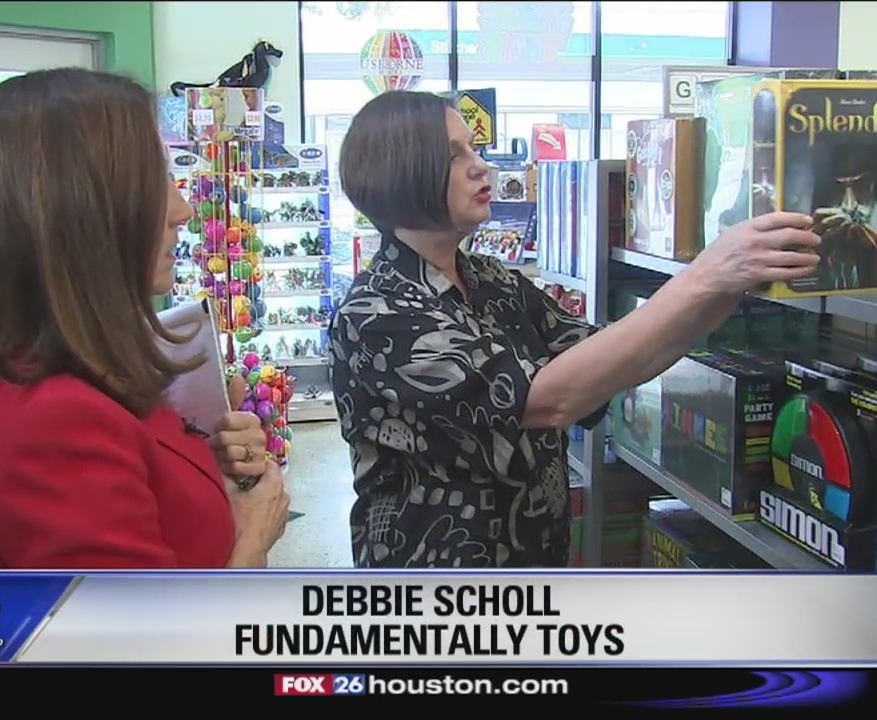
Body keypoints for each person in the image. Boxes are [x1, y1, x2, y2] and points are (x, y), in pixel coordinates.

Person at [329, 90, 820, 569]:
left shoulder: (492, 280)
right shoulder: (375, 314)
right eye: (455, 155)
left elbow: (617, 357)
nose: (481, 166)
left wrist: (730, 282)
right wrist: (704, 276)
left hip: (537, 567)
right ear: (400, 174)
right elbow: (546, 400)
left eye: (475, 150)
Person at [0, 68, 290, 569]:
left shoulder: (73, 372)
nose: (183, 211)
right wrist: (253, 538)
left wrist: (199, 467)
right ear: (80, 212)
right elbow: (141, 625)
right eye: (154, 180)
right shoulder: (56, 425)